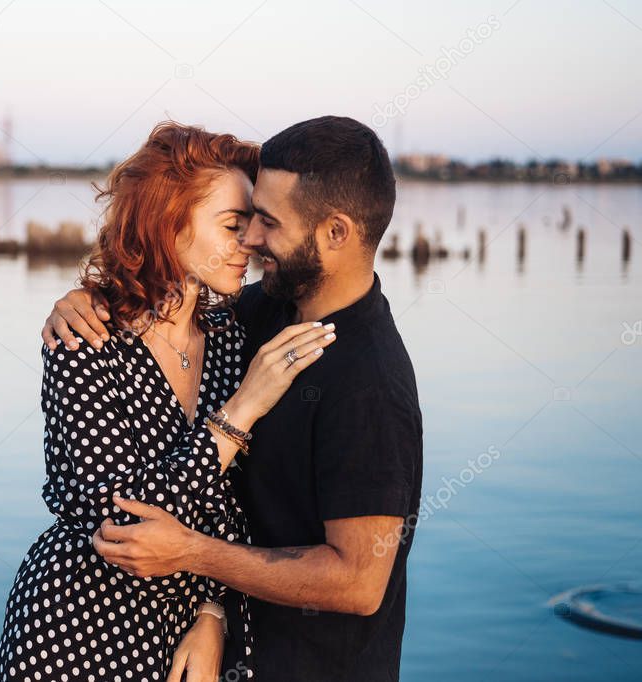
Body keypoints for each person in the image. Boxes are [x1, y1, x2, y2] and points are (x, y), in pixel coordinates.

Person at [41, 116, 424, 681]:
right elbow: (161, 302)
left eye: (267, 221)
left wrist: (195, 559)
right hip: (148, 644)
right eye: (242, 221)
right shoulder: (252, 318)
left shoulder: (370, 381)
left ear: (335, 232)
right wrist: (82, 299)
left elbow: (359, 583)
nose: (251, 240)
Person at [0, 121, 337, 682]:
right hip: (74, 630)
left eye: (252, 224)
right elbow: (115, 520)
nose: (249, 242)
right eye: (232, 224)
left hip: (185, 635)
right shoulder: (86, 342)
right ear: (167, 222)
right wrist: (239, 414)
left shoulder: (232, 332)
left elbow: (234, 505)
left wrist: (211, 611)